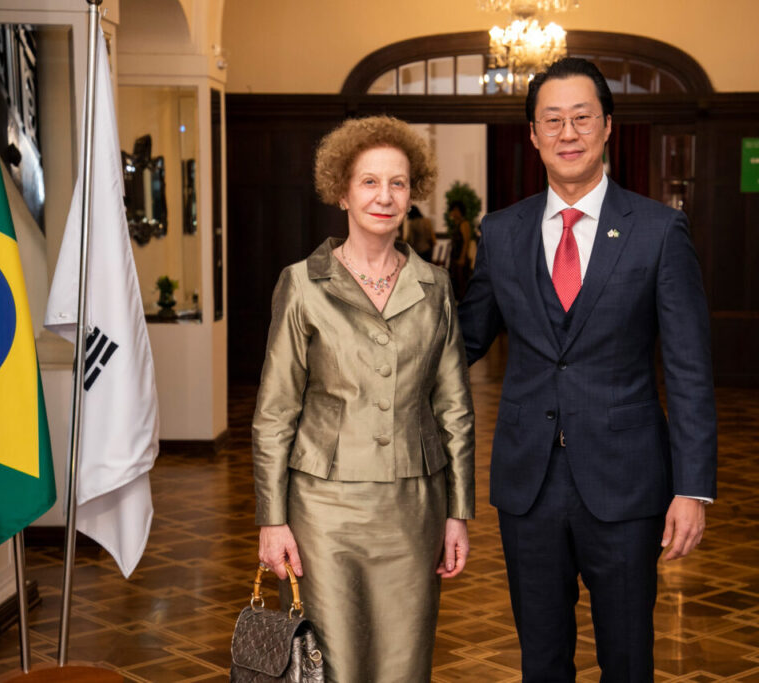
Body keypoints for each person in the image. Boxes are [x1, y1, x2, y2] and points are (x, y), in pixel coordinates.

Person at [457, 58, 717, 681]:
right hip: (528, 483)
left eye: (581, 118)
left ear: (607, 128)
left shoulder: (658, 231)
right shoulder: (501, 232)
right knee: (541, 659)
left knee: (627, 658)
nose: (567, 132)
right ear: (533, 135)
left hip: (628, 483)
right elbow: (461, 341)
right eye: (553, 120)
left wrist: (693, 486)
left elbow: (687, 368)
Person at [253, 115, 475, 683]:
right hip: (323, 512)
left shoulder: (436, 288)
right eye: (369, 182)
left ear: (411, 194)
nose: (384, 196)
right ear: (342, 191)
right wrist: (272, 520)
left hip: (413, 507)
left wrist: (457, 512)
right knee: (331, 665)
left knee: (406, 664)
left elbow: (454, 408)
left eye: (397, 183)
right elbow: (275, 412)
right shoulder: (303, 284)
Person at [447, 200, 473, 298]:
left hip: (460, 256)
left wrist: (462, 257)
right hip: (454, 255)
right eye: (453, 210)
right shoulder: (456, 224)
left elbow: (466, 241)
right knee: (455, 281)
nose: (454, 213)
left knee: (461, 282)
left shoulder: (464, 224)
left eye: (457, 210)